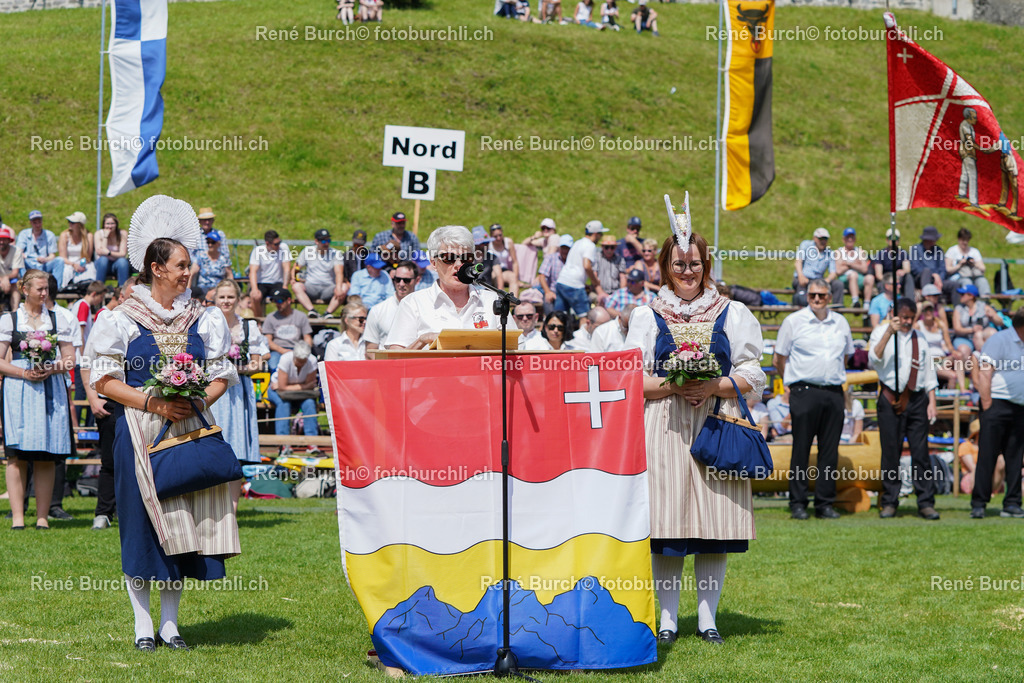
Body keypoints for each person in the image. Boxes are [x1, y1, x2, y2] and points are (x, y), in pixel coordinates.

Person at [88, 197, 240, 651]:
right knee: (140, 525)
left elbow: (222, 375)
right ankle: (141, 624)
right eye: (180, 265)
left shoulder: (204, 316)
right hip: (139, 431)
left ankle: (170, 624)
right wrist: (155, 404)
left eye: (189, 265)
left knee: (183, 523)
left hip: (189, 430)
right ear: (156, 269)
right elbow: (104, 379)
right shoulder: (123, 317)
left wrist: (192, 403)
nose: (187, 272)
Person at [624, 226, 765, 645]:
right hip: (665, 425)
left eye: (695, 264)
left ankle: (708, 620)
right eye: (679, 264)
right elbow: (632, 377)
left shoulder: (733, 312)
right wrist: (675, 384)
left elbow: (753, 372)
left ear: (706, 266)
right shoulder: (646, 315)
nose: (687, 271)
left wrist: (713, 385)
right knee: (667, 525)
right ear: (666, 267)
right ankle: (667, 620)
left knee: (714, 524)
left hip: (717, 422)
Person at [0, 269, 76, 530]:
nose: (44, 294)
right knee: (16, 456)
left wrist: (50, 368)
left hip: (50, 388)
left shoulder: (58, 318)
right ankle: (19, 518)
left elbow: (69, 359)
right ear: (25, 289)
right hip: (18, 390)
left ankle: (42, 517)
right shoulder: (10, 320)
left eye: (46, 289)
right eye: (40, 289)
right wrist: (24, 372)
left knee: (46, 454)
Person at [773, 278, 854, 520]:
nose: (817, 299)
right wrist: (793, 383)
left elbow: (846, 357)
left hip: (833, 392)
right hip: (804, 391)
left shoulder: (841, 323)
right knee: (801, 448)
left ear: (830, 297)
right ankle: (797, 503)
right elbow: (779, 359)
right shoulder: (793, 322)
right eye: (812, 296)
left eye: (821, 295)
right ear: (806, 297)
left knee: (830, 451)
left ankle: (824, 504)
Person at [386, 226, 518, 350]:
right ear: (434, 263)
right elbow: (394, 361)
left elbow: (518, 350)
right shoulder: (412, 303)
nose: (458, 264)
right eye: (449, 258)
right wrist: (422, 341)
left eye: (466, 258)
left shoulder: (492, 301)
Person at [869, 298, 940, 520]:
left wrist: (932, 401)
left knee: (921, 453)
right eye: (905, 317)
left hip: (917, 400)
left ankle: (925, 502)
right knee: (891, 452)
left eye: (912, 318)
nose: (908, 322)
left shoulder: (920, 338)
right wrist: (890, 331)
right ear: (894, 314)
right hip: (889, 398)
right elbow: (874, 358)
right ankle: (890, 501)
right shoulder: (881, 332)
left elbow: (929, 372)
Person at [83, 276, 138, 530]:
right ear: (121, 296)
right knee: (110, 460)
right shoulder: (108, 320)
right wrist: (93, 398)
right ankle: (103, 512)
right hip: (108, 400)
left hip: (142, 400)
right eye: (130, 296)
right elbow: (87, 360)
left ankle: (135, 512)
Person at [209, 279, 268, 511]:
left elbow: (258, 361)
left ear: (238, 299)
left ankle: (231, 511)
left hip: (238, 392)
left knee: (235, 451)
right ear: (215, 300)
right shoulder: (206, 325)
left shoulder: (247, 327)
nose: (226, 301)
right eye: (222, 297)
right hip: (211, 390)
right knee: (212, 447)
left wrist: (236, 369)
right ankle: (211, 507)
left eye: (230, 297)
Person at [970, 308, 1024, 519]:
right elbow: (985, 373)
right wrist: (987, 405)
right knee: (987, 455)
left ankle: (1012, 503)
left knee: (1015, 457)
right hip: (997, 405)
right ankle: (979, 503)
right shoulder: (999, 340)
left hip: (1020, 407)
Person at [269, 341, 320, 449]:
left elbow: (309, 386)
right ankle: (284, 444)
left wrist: (290, 386)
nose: (301, 363)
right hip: (277, 392)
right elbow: (283, 388)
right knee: (284, 404)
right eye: (299, 360)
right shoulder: (285, 359)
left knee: (309, 403)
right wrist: (302, 385)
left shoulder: (312, 360)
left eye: (303, 361)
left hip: (299, 394)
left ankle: (312, 443)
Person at [364, 261, 419, 353]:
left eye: (406, 280)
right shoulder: (377, 310)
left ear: (417, 280)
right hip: (386, 365)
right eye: (397, 279)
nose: (401, 284)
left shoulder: (425, 307)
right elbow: (370, 350)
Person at [556, 220, 607, 318]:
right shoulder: (590, 246)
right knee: (585, 317)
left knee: (559, 317)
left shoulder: (578, 243)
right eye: (601, 234)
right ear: (596, 234)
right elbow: (587, 266)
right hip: (574, 286)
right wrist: (595, 281)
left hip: (562, 281)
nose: (601, 237)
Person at [293, 229, 347, 318]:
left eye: (328, 240)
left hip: (329, 288)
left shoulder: (336, 253)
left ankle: (328, 313)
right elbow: (297, 267)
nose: (326, 243)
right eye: (323, 241)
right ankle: (312, 311)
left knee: (344, 287)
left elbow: (339, 273)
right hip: (311, 287)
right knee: (296, 286)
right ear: (316, 241)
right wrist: (294, 278)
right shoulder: (307, 251)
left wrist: (338, 287)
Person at [261, 287, 314, 374]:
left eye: (280, 301)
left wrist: (303, 351)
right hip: (277, 350)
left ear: (289, 300)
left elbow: (307, 338)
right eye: (275, 301)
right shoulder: (270, 317)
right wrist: (283, 351)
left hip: (297, 349)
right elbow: (268, 340)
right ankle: (275, 386)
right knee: (274, 366)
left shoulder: (301, 316)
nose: (277, 304)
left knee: (310, 364)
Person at [916, 300, 964, 390]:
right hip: (929, 361)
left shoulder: (940, 325)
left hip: (941, 359)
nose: (928, 313)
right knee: (952, 376)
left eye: (930, 310)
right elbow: (909, 329)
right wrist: (917, 311)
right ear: (922, 312)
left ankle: (962, 388)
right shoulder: (918, 325)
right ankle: (948, 400)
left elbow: (948, 344)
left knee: (959, 356)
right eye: (926, 310)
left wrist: (954, 352)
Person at [793, 227, 843, 306]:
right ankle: (801, 309)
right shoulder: (806, 245)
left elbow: (833, 272)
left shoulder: (830, 253)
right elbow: (798, 262)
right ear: (814, 238)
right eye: (821, 238)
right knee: (801, 285)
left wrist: (826, 281)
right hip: (804, 279)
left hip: (819, 281)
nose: (823, 241)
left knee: (838, 284)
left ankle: (837, 309)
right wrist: (800, 275)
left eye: (825, 239)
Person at [248, 230, 292, 317]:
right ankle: (259, 321)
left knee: (284, 296)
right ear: (268, 243)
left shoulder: (283, 248)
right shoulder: (258, 251)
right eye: (276, 244)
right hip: (262, 283)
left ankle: (283, 320)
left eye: (279, 242)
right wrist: (254, 289)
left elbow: (287, 268)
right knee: (255, 297)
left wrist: (285, 287)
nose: (278, 245)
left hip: (277, 283)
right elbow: (253, 271)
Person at [950, 284, 1003, 356]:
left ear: (971, 296)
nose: (960, 296)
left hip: (981, 336)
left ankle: (988, 360)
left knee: (990, 332)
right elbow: (957, 329)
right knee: (964, 350)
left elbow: (1000, 322)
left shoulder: (983, 306)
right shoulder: (958, 309)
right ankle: (981, 361)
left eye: (962, 294)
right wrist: (972, 330)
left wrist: (992, 317)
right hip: (964, 338)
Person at [17, 210, 65, 285]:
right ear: (30, 223)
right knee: (19, 259)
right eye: (34, 222)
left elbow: (52, 255)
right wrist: (25, 256)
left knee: (60, 260)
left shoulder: (49, 235)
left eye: (39, 222)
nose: (37, 225)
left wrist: (45, 259)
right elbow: (19, 251)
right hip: (29, 263)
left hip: (44, 265)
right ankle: (25, 284)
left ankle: (56, 287)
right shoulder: (24, 234)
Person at [944, 227, 990, 303]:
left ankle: (985, 303)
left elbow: (983, 268)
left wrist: (974, 263)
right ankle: (969, 304)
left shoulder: (974, 251)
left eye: (967, 240)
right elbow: (948, 269)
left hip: (974, 276)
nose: (965, 242)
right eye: (963, 240)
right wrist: (959, 265)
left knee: (982, 281)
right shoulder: (952, 251)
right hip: (959, 277)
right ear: (959, 239)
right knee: (967, 282)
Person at [834, 227, 874, 307]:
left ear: (855, 239)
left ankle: (867, 304)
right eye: (848, 237)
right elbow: (838, 271)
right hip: (845, 279)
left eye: (852, 237)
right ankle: (855, 301)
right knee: (853, 275)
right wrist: (855, 264)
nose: (850, 239)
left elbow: (864, 269)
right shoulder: (839, 252)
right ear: (843, 239)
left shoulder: (860, 251)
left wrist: (848, 264)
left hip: (859, 278)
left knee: (870, 278)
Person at [872, 228, 913, 302]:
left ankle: (910, 303)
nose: (893, 240)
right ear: (887, 240)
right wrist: (891, 282)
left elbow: (907, 269)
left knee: (908, 277)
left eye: (896, 238)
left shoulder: (903, 253)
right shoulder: (880, 254)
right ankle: (886, 305)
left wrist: (903, 271)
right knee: (882, 284)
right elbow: (878, 275)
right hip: (886, 280)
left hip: (899, 279)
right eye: (891, 238)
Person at [58, 211, 96, 287]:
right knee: (66, 271)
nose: (70, 224)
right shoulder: (64, 235)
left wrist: (80, 265)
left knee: (90, 270)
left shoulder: (89, 236)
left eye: (72, 222)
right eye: (69, 221)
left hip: (83, 263)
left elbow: (88, 257)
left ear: (80, 225)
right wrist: (73, 265)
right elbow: (62, 257)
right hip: (68, 263)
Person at [537, 235, 572, 315]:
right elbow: (542, 276)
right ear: (559, 248)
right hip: (553, 292)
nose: (565, 251)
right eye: (563, 248)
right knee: (548, 302)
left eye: (567, 248)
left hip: (569, 292)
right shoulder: (551, 258)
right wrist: (548, 292)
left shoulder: (574, 260)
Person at [908, 226, 946, 297]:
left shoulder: (938, 250)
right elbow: (915, 269)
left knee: (954, 285)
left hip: (937, 280)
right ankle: (926, 298)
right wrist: (933, 275)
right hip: (921, 279)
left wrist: (939, 279)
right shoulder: (915, 249)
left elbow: (942, 268)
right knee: (926, 271)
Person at [94, 213, 131, 286]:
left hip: (117, 264)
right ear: (104, 224)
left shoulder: (122, 233)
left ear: (116, 224)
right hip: (102, 264)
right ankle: (99, 288)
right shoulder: (98, 234)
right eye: (107, 224)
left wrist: (109, 253)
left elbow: (123, 253)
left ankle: (122, 289)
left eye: (112, 223)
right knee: (103, 259)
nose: (110, 226)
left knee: (122, 262)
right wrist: (105, 236)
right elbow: (100, 252)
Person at [487, 224, 520, 295]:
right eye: (495, 237)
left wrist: (517, 279)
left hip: (504, 270)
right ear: (491, 236)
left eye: (500, 235)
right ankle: (501, 299)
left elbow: (515, 262)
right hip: (493, 270)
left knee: (513, 277)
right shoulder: (488, 244)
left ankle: (513, 301)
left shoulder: (508, 242)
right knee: (498, 276)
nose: (498, 238)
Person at [595, 235, 628, 302]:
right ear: (602, 247)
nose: (609, 250)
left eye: (612, 247)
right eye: (606, 247)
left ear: (615, 247)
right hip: (599, 291)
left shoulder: (620, 259)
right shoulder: (596, 258)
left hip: (615, 293)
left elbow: (622, 278)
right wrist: (601, 293)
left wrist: (621, 294)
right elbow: (594, 277)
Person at [0, 225, 24, 311]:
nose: (1, 242)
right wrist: (2, 279)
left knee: (16, 286)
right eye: (0, 239)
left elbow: (15, 272)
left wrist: (6, 278)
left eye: (4, 239)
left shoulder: (16, 250)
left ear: (9, 240)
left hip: (12, 279)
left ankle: (15, 312)